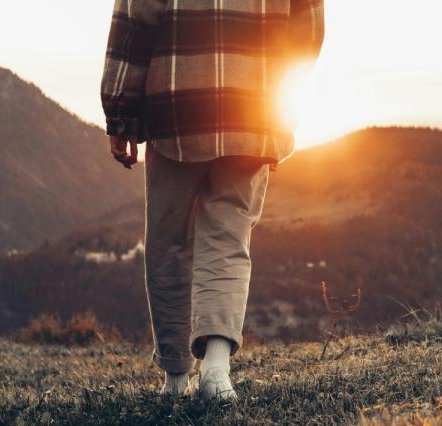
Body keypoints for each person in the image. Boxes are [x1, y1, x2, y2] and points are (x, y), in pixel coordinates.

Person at [100, 0, 325, 400]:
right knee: (228, 237)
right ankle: (216, 372)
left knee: (169, 242)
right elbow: (306, 29)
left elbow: (134, 21)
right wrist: (281, 101)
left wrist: (120, 112)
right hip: (255, 108)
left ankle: (174, 379)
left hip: (176, 106)